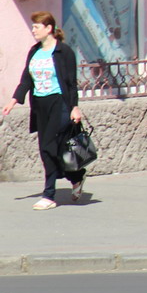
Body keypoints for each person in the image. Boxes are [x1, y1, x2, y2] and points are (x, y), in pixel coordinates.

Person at [2, 11, 86, 210]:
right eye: (33, 27)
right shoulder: (34, 51)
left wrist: (75, 107)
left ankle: (49, 195)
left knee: (50, 147)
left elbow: (71, 83)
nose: (33, 30)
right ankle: (76, 177)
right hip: (40, 105)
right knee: (47, 149)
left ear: (49, 29)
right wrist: (13, 100)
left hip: (60, 104)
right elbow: (26, 79)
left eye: (36, 27)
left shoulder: (64, 52)